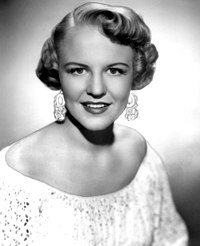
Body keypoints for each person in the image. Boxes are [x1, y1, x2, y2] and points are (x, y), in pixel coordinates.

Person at [0, 2, 188, 245]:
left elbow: (171, 240)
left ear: (135, 74)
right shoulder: (12, 178)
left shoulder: (141, 155)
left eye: (115, 70)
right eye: (78, 70)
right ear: (58, 72)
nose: (96, 89)